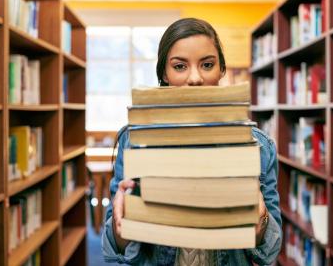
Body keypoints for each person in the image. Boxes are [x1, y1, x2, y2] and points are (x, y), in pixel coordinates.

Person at [102, 18, 282, 265]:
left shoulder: (259, 147)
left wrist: (260, 225)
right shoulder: (136, 141)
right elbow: (113, 249)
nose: (195, 78)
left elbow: (271, 252)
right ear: (164, 74)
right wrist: (121, 226)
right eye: (179, 66)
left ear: (221, 70)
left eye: (207, 64)